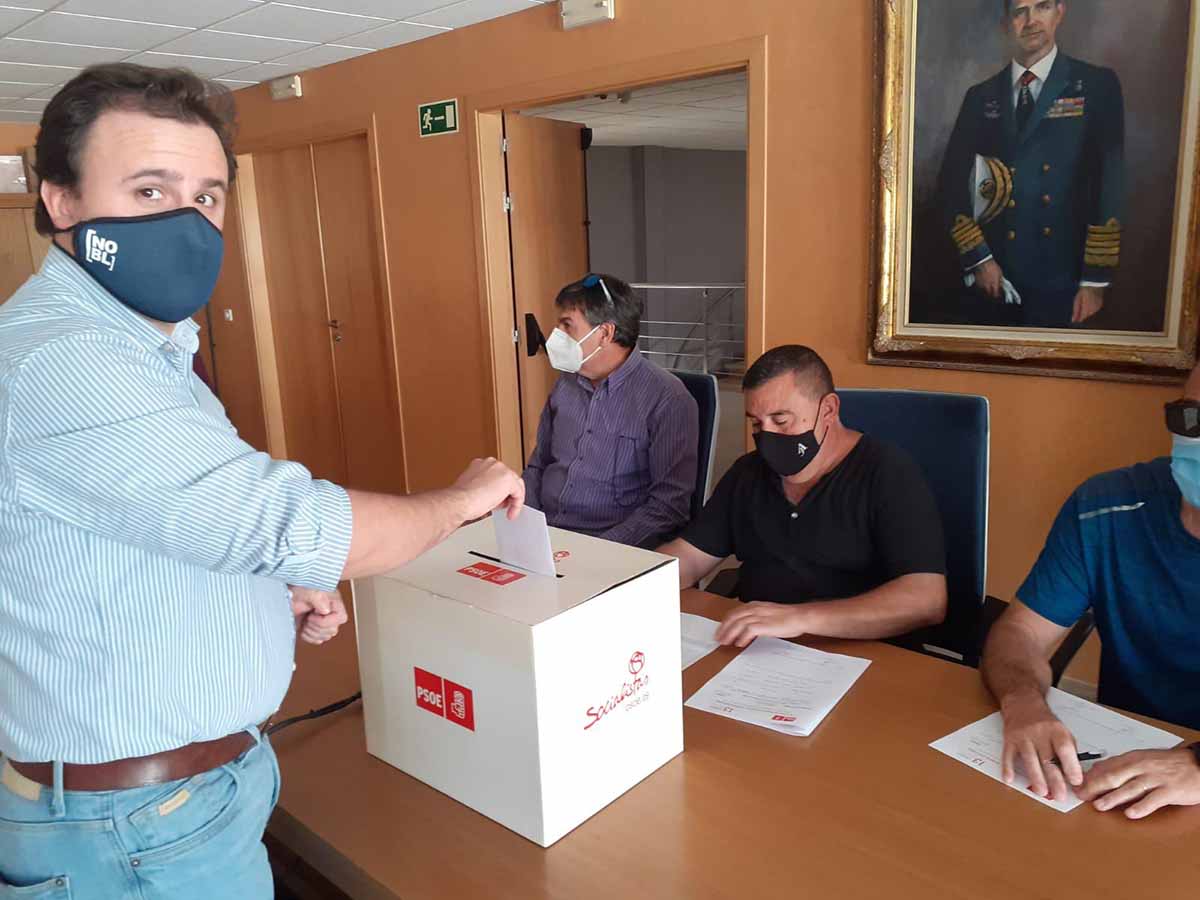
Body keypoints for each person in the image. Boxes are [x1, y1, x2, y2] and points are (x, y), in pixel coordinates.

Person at [0, 64, 524, 899]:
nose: (189, 220)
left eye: (208, 195)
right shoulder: (70, 359)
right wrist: (459, 502)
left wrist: (265, 593)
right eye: (148, 190)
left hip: (166, 803)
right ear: (60, 201)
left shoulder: (147, 351)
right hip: (136, 829)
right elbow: (291, 526)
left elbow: (143, 532)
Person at [981, 362, 1200, 819]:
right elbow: (1018, 635)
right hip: (1117, 779)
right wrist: (1022, 700)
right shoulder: (1106, 505)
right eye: (1193, 418)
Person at [658, 345, 947, 646]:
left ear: (829, 410)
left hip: (864, 654)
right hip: (759, 651)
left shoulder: (888, 473)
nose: (766, 436)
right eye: (757, 423)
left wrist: (799, 618)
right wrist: (627, 586)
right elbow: (689, 558)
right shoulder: (748, 473)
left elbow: (926, 599)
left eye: (781, 421)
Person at [937, 0, 1124, 328]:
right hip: (995, 280)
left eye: (1042, 7)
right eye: (1020, 11)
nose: (1031, 20)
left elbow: (1110, 185)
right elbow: (951, 186)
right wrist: (979, 260)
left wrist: (1095, 281)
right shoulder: (980, 97)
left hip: (1063, 280)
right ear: (1005, 23)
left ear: (1060, 13)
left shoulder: (1097, 86)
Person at [522, 274, 698, 548]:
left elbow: (668, 506)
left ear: (604, 333)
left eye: (567, 326)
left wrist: (599, 551)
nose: (556, 336)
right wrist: (526, 526)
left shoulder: (667, 398)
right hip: (545, 538)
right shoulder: (565, 386)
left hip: (612, 548)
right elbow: (538, 465)